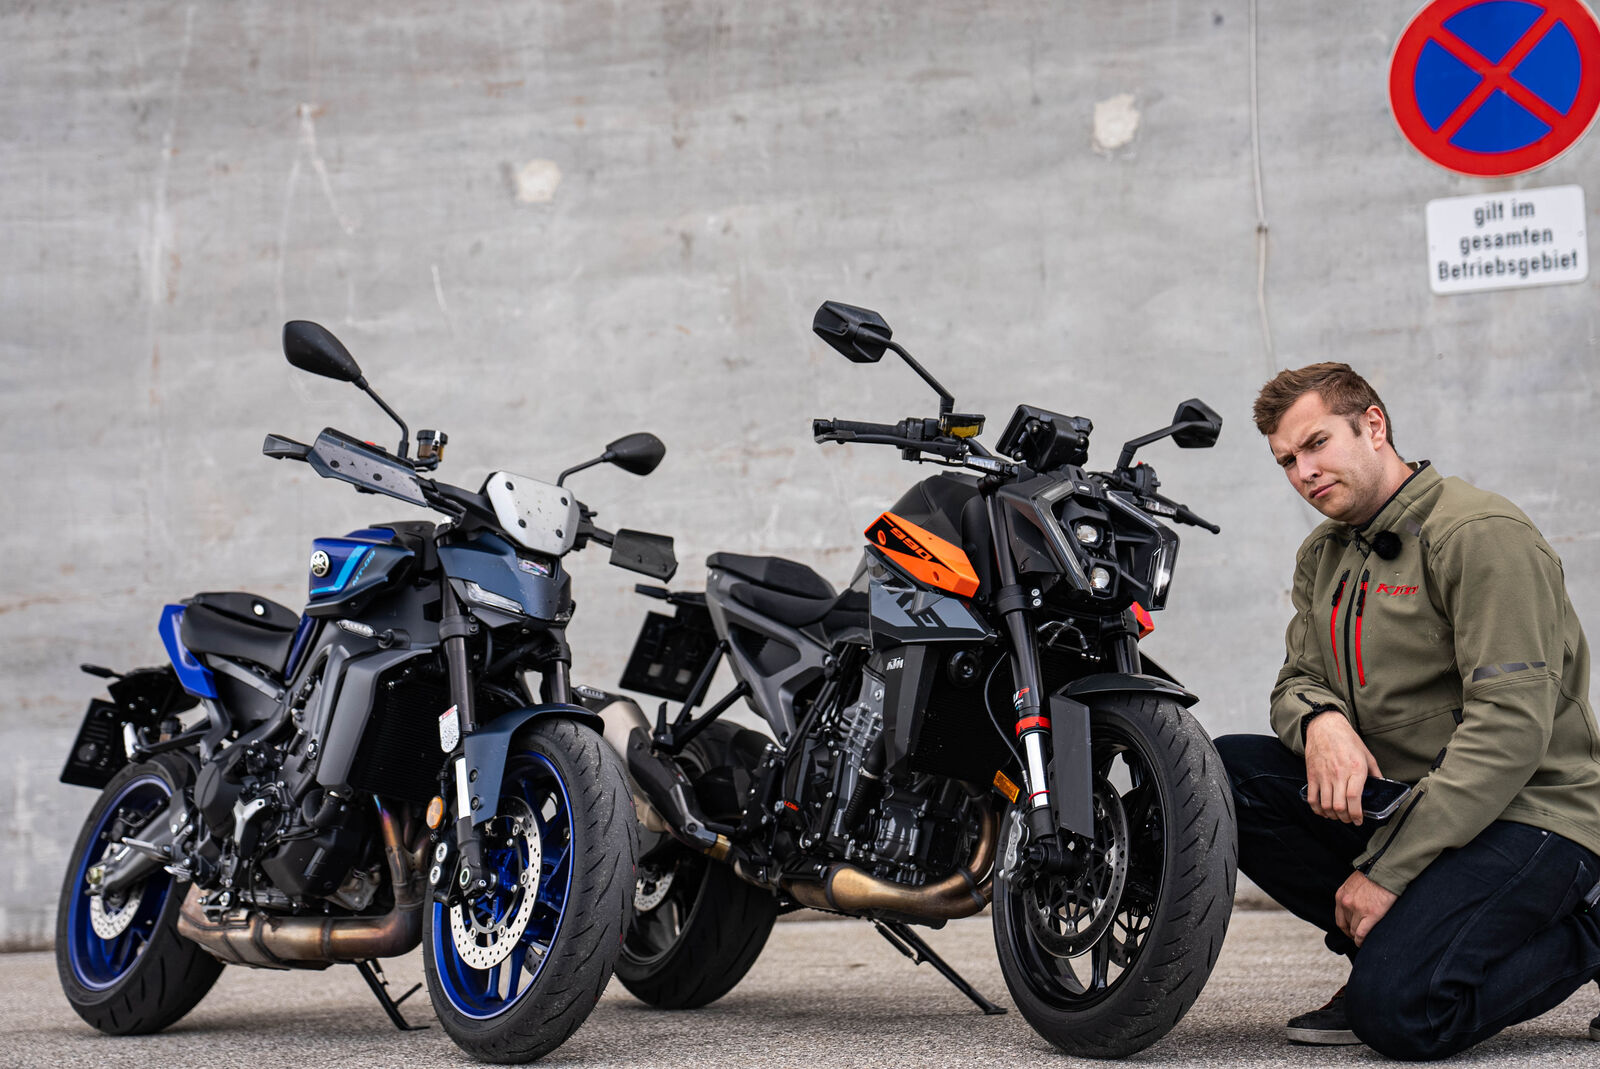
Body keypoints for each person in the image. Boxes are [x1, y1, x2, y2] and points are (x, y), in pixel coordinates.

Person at [1215, 362, 1600, 1059]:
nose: (1305, 472)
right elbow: (1297, 679)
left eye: (1317, 443)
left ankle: (1590, 927)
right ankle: (1390, 947)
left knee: (1402, 1013)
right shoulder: (1324, 554)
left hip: (1530, 809)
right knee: (1224, 776)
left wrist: (1385, 872)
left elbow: (1511, 730)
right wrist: (1321, 722)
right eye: (1287, 461)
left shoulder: (1479, 533)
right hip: (1405, 801)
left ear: (1373, 425)